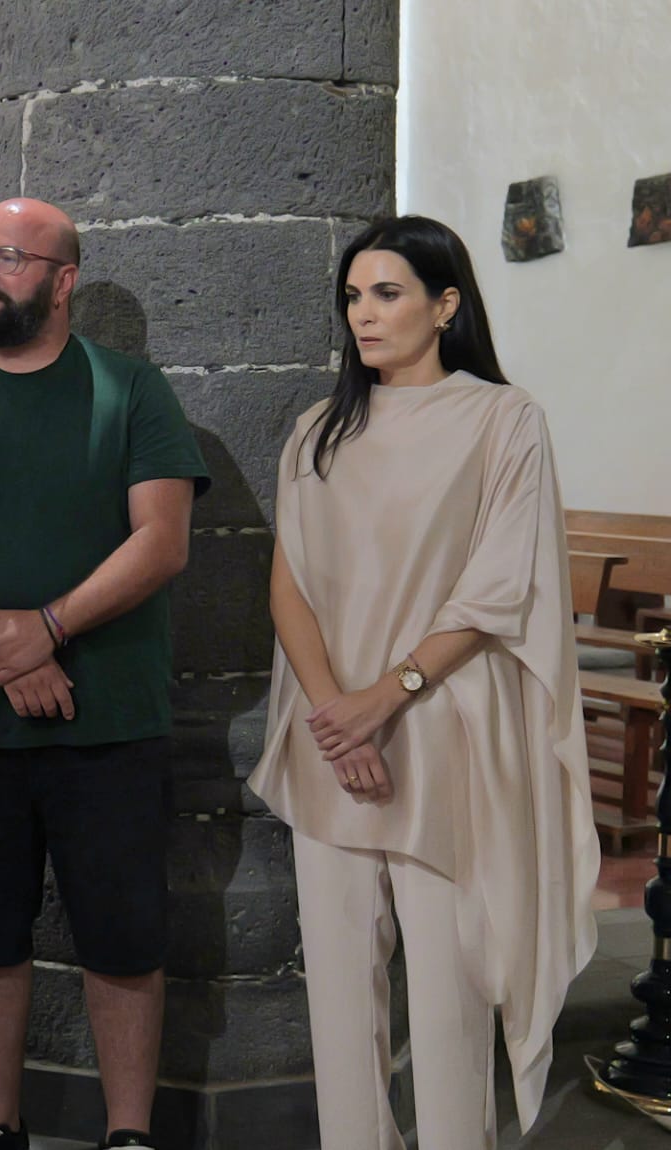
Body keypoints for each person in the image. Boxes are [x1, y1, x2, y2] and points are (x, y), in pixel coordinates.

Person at [247, 215, 596, 1149]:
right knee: (339, 1000)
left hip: (442, 732)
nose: (364, 314)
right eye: (353, 296)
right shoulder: (319, 428)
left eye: (388, 293)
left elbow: (496, 587)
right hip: (332, 740)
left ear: (445, 305)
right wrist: (335, 713)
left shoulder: (502, 419)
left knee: (448, 1000)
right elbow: (290, 585)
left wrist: (382, 700)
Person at [0, 197, 209, 1150]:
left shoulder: (132, 391)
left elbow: (164, 540)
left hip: (111, 722)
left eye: (10, 257)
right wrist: (5, 646)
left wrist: (50, 626)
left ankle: (129, 1131)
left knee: (124, 937)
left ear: (63, 282)